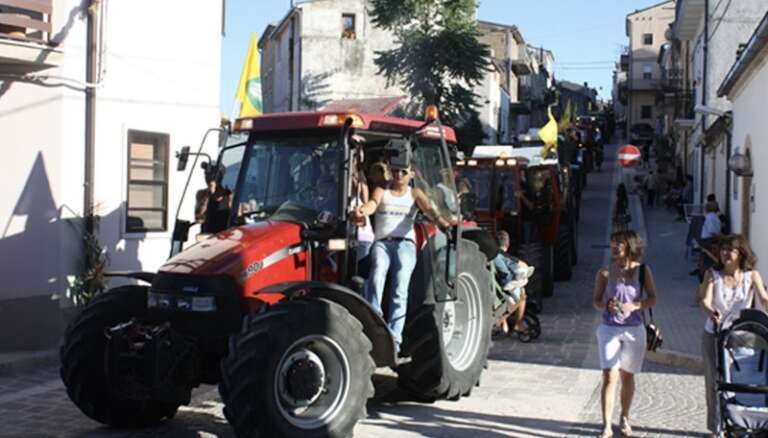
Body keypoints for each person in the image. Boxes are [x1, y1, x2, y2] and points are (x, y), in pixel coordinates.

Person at [354, 161, 451, 353]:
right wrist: (363, 210)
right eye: (396, 171)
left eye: (403, 172)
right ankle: (375, 319)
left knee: (400, 288)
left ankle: (395, 339)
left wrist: (442, 223)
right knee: (376, 274)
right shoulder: (383, 190)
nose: (399, 175)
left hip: (405, 244)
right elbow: (373, 204)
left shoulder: (414, 194)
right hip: (382, 242)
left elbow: (429, 210)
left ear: (411, 175)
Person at [698, 234, 768, 437]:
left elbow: (763, 298)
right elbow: (705, 300)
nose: (725, 253)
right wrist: (711, 312)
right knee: (714, 381)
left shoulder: (751, 276)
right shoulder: (712, 274)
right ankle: (716, 427)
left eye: (731, 250)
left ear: (741, 254)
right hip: (715, 334)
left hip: (742, 336)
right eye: (723, 249)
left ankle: (744, 418)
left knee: (742, 377)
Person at [593, 230, 658, 438]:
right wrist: (606, 306)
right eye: (612, 243)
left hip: (634, 329)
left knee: (628, 375)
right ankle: (606, 426)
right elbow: (596, 301)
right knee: (609, 376)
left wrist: (635, 305)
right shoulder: (604, 273)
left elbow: (653, 298)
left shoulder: (642, 271)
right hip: (609, 328)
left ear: (629, 246)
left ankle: (625, 417)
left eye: (618, 244)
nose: (614, 248)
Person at [492, 230, 534, 335]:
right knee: (522, 295)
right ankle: (517, 323)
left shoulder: (493, 255)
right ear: (508, 244)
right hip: (505, 286)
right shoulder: (502, 255)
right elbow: (523, 264)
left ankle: (504, 323)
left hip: (496, 286)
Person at [194, 164, 233, 234]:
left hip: (224, 235)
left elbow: (236, 217)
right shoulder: (201, 194)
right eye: (206, 174)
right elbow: (198, 216)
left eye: (210, 174)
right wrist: (209, 194)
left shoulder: (228, 195)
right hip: (208, 235)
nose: (207, 177)